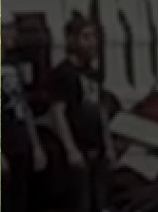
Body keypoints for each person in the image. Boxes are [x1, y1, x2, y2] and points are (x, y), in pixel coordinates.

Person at [48, 16, 115, 212]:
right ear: (71, 40)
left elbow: (100, 110)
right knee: (80, 203)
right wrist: (71, 149)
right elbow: (57, 113)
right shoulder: (63, 73)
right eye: (86, 37)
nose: (92, 42)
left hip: (97, 148)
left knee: (101, 203)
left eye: (94, 36)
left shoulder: (92, 73)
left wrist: (108, 145)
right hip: (78, 149)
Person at [3, 22, 47, 211]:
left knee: (22, 197)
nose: (14, 33)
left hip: (20, 141)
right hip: (3, 141)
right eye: (9, 29)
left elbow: (24, 107)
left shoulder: (13, 66)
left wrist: (36, 146)